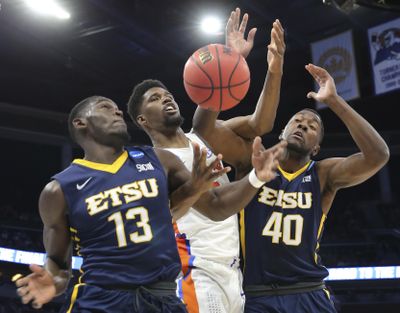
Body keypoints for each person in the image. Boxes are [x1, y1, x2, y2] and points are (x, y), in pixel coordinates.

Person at [14, 96, 285, 312]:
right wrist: (52, 282)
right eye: (106, 107)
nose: (117, 112)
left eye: (118, 109)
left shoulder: (159, 159)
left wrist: (255, 178)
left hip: (162, 298)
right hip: (103, 298)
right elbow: (58, 264)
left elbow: (213, 207)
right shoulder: (59, 189)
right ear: (80, 123)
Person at [127, 8, 285, 313]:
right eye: (155, 99)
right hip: (194, 270)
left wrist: (263, 67)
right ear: (143, 119)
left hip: (232, 269)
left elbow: (260, 124)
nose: (166, 98)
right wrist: (254, 179)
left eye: (167, 94)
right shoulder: (156, 161)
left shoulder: (203, 136)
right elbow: (215, 206)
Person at [239, 64, 389, 313]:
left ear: (316, 149)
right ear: (282, 134)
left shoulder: (322, 174)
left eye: (312, 127)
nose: (303, 126)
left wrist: (334, 101)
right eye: (297, 121)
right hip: (258, 294)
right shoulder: (253, 162)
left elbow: (378, 155)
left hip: (309, 292)